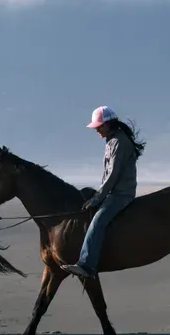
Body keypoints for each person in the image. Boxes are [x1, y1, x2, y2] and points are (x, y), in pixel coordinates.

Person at [60, 106, 145, 280]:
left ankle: (86, 265)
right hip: (112, 192)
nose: (97, 130)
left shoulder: (120, 142)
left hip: (121, 194)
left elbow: (113, 175)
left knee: (98, 222)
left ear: (108, 124)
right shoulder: (112, 140)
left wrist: (98, 198)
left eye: (99, 126)